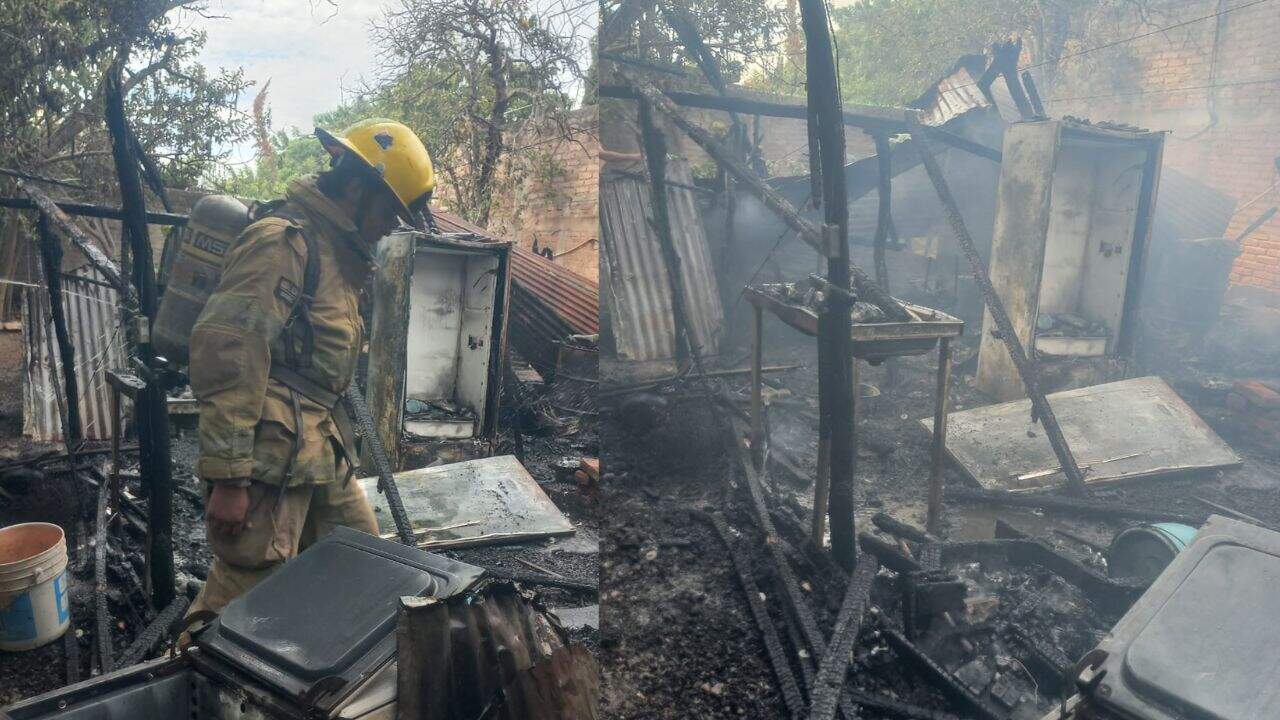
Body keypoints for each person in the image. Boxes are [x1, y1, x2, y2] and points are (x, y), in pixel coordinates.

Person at [185, 119, 436, 617]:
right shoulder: (285, 243)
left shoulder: (334, 251)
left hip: (317, 447)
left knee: (365, 562)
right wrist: (231, 478)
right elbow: (231, 353)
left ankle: (332, 678)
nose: (391, 225)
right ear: (355, 187)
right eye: (389, 209)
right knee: (245, 593)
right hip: (268, 456)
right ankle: (183, 682)